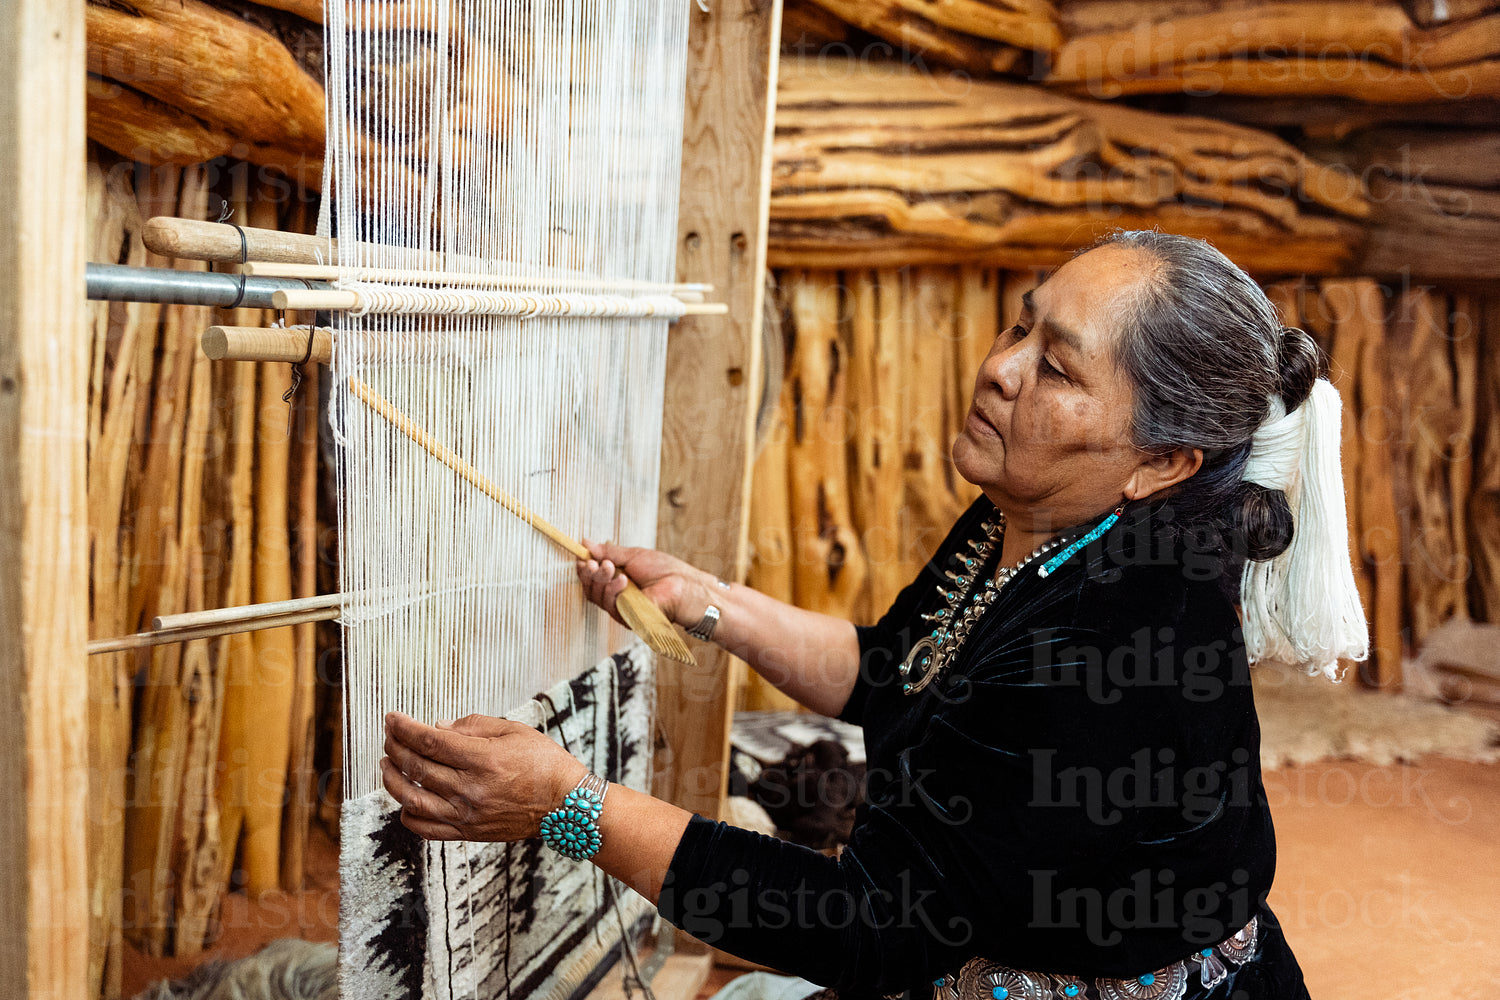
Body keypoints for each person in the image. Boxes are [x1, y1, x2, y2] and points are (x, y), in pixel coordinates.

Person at [381, 231, 1367, 1000]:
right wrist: (708, 602)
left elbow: (867, 922)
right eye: (1021, 327)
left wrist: (568, 803)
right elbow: (902, 670)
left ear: (1163, 461)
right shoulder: (1031, 515)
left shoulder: (1118, 644)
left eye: (1059, 368)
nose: (1002, 368)